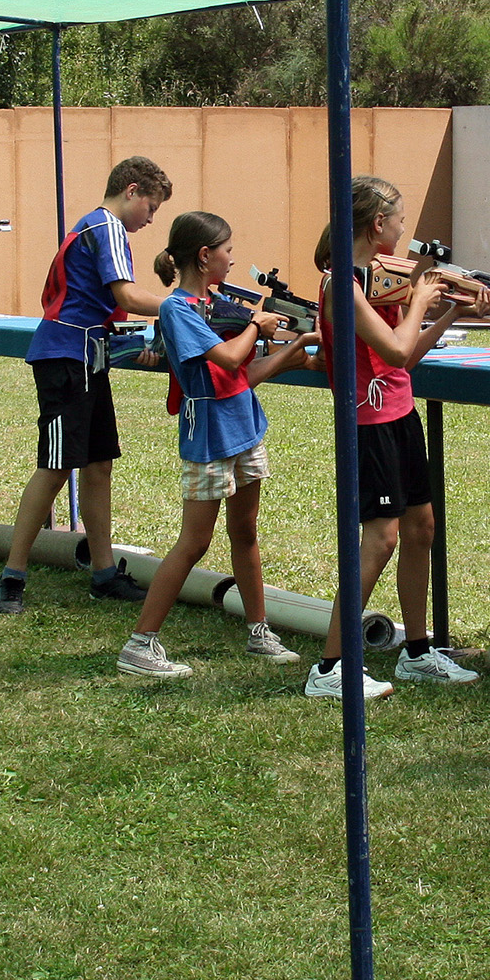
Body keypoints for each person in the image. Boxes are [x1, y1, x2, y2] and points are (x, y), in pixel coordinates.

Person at [306, 175, 490, 702]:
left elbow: (406, 359)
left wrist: (451, 310)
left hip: (400, 414)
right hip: (369, 424)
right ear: (377, 224)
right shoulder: (342, 284)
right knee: (380, 540)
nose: (405, 230)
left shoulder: (378, 281)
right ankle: (330, 667)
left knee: (421, 528)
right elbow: (394, 348)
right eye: (401, 221)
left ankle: (416, 652)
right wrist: (420, 299)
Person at [116, 214, 314, 679]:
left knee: (245, 532)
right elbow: (228, 357)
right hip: (208, 435)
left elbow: (242, 378)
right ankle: (139, 645)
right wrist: (258, 327)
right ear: (205, 256)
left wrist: (298, 350)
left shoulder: (215, 305)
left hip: (244, 427)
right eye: (227, 250)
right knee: (195, 542)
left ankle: (259, 631)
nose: (232, 258)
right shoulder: (177, 309)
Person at [0, 156, 173, 613]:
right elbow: (126, 295)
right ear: (131, 191)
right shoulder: (107, 227)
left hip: (88, 357)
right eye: (151, 207)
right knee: (56, 467)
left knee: (98, 466)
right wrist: (183, 306)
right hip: (67, 358)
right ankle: (12, 576)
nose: (151, 219)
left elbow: (105, 308)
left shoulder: (96, 225)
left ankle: (104, 574)